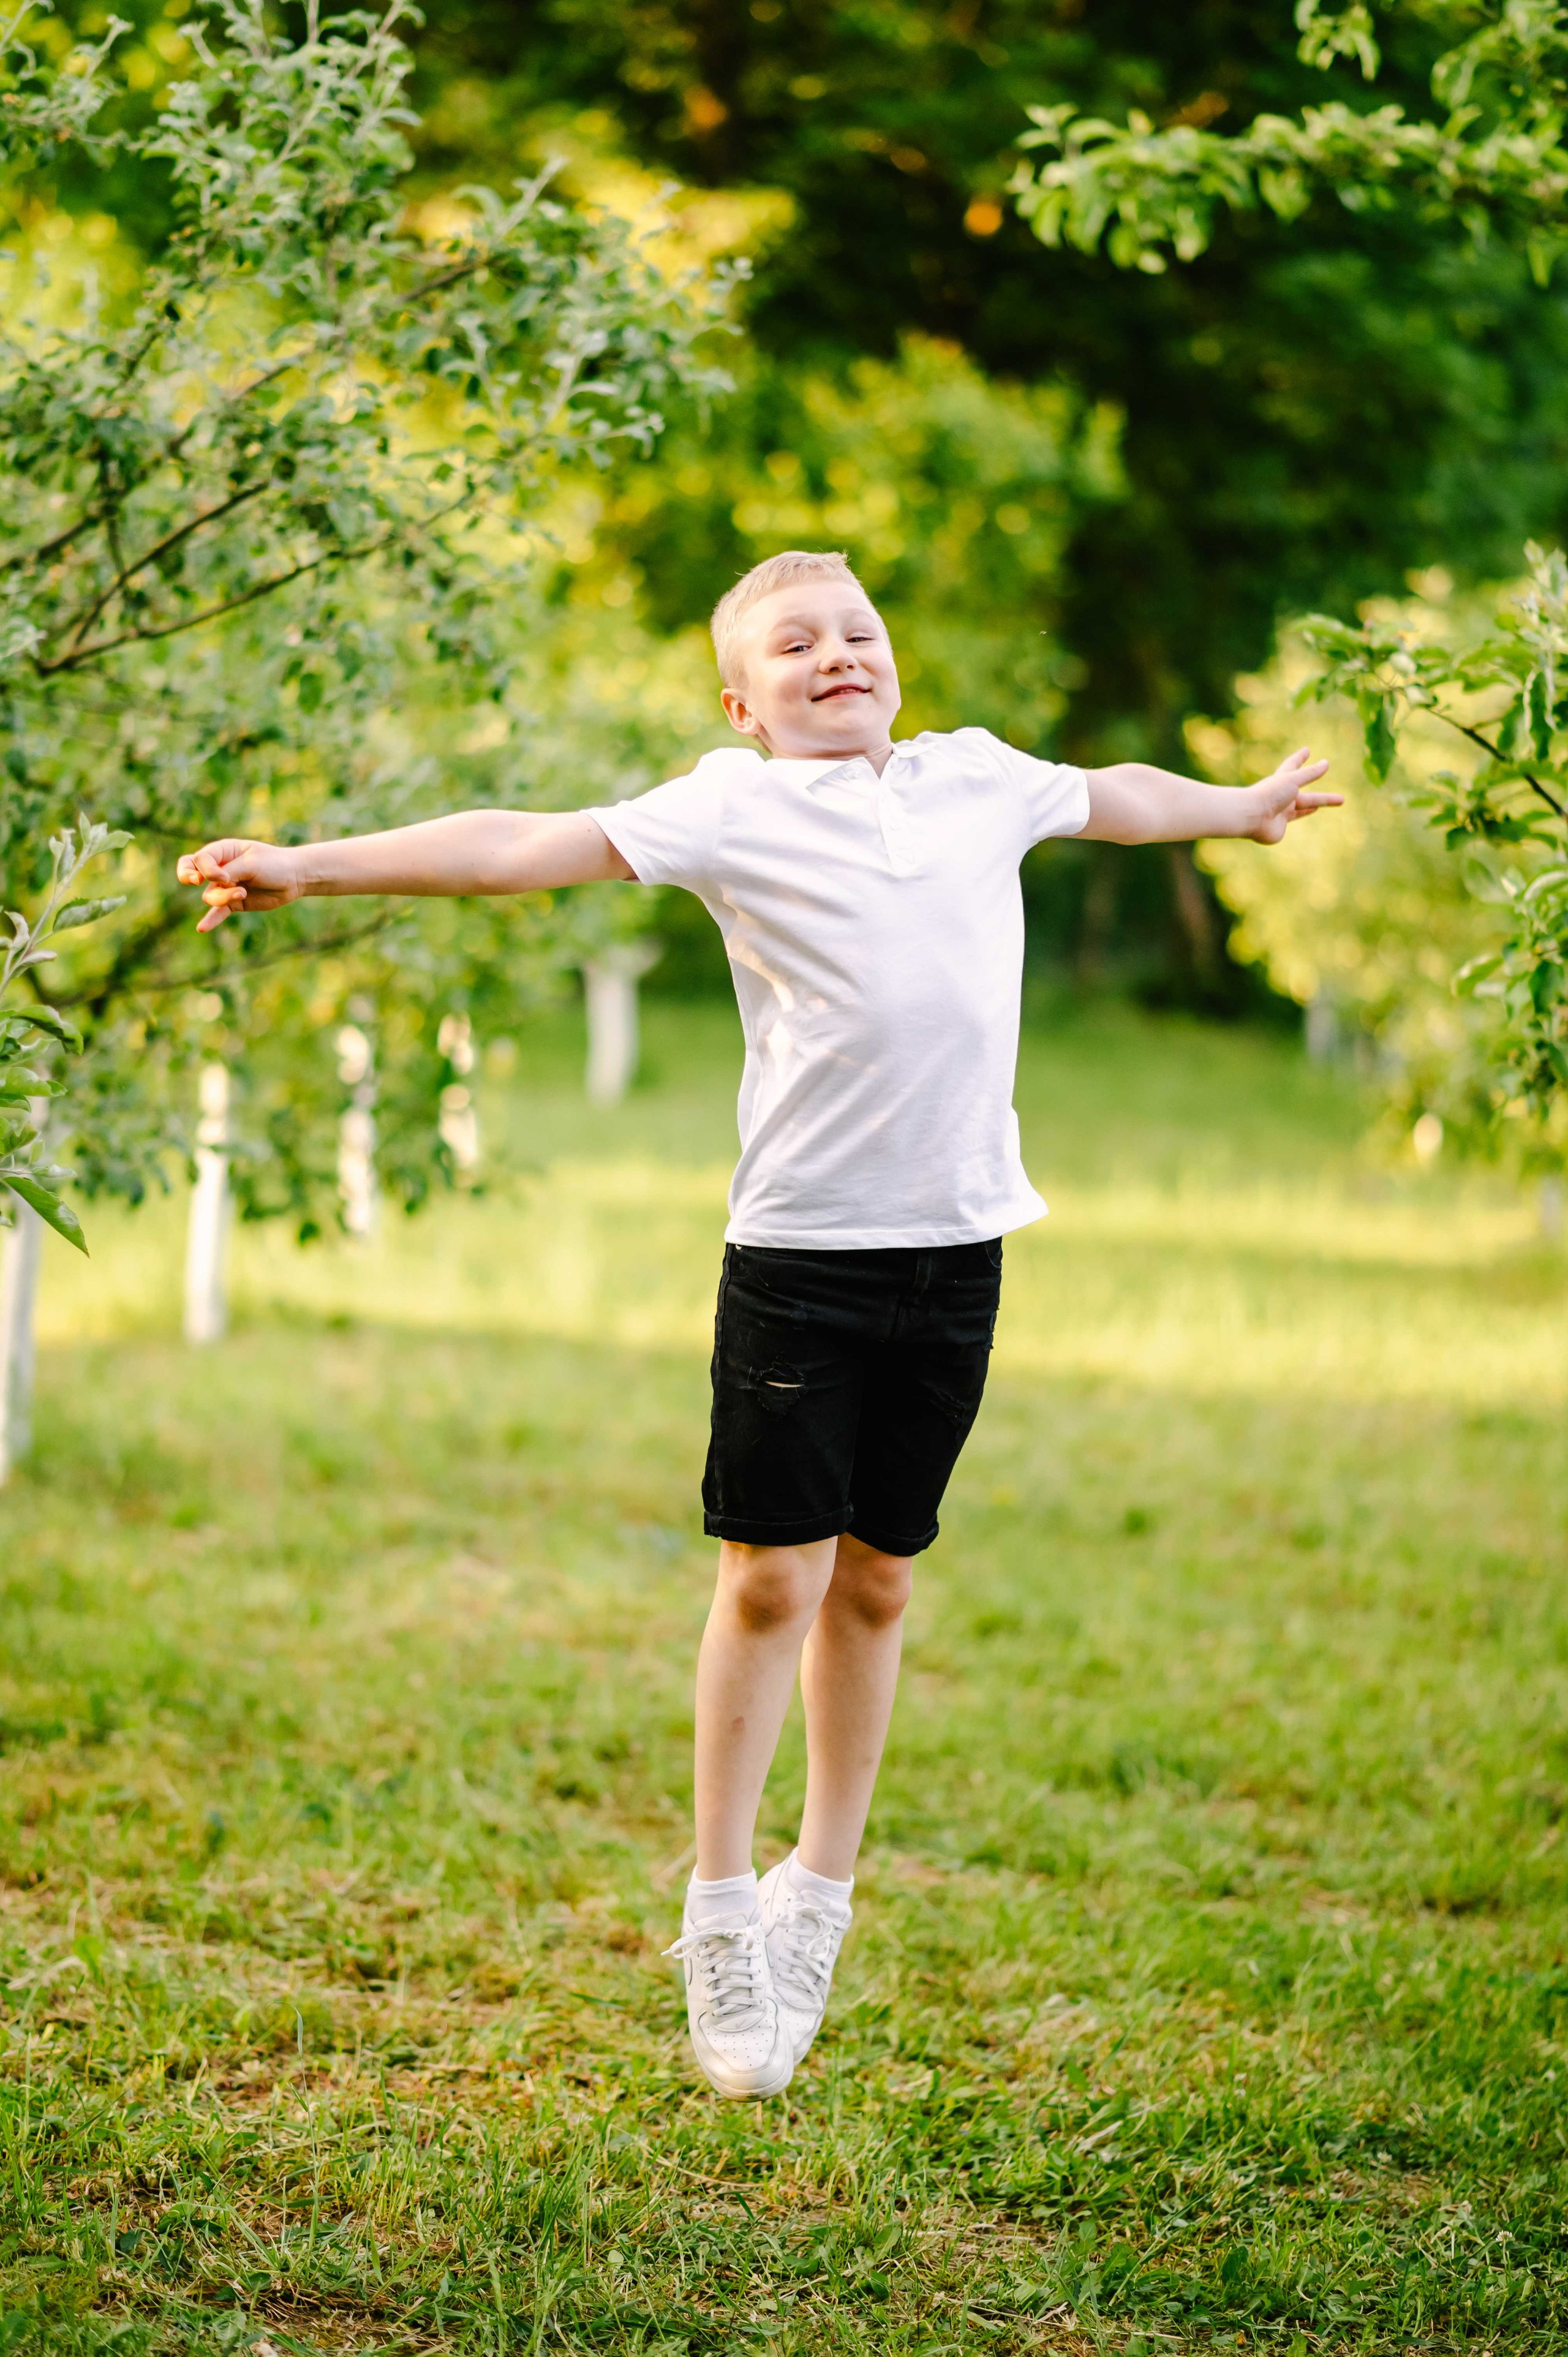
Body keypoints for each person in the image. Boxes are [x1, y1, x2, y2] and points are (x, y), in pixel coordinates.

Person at [178, 548, 1338, 2100]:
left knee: (876, 1586)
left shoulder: (974, 779)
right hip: (799, 1254)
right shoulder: (727, 809)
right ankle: (720, 1904)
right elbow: (519, 846)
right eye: (796, 644)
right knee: (769, 1577)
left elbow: (1111, 792)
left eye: (858, 631)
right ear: (744, 701)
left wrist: (1235, 805)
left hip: (958, 1249)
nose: (838, 655)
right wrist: (313, 863)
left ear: (894, 664)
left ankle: (818, 1893)